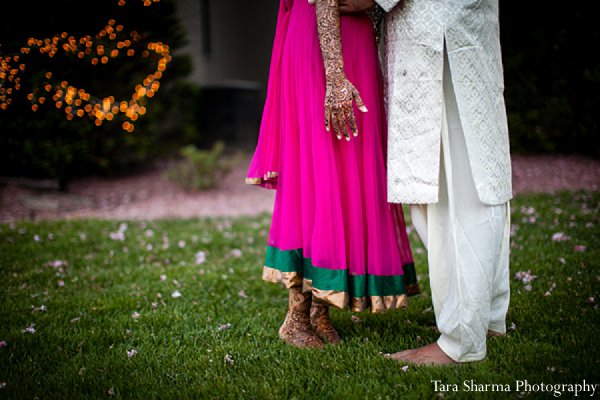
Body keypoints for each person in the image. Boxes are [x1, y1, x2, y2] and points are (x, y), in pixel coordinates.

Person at [324, 0, 513, 364]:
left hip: (441, 31)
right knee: (474, 173)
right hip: (451, 28)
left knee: (455, 186)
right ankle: (483, 320)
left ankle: (461, 342)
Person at [246, 0, 419, 349]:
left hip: (356, 42)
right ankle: (296, 317)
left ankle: (320, 309)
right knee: (317, 172)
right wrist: (335, 76)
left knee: (346, 174)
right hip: (317, 44)